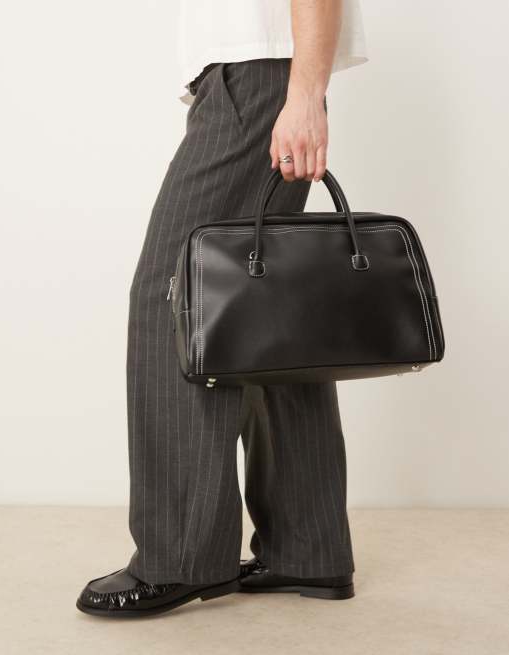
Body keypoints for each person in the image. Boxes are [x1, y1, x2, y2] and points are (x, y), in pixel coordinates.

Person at [76, 0, 368, 617]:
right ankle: (306, 546)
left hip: (259, 78)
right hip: (258, 78)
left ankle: (179, 558)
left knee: (175, 295)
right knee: (266, 312)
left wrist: (304, 95)